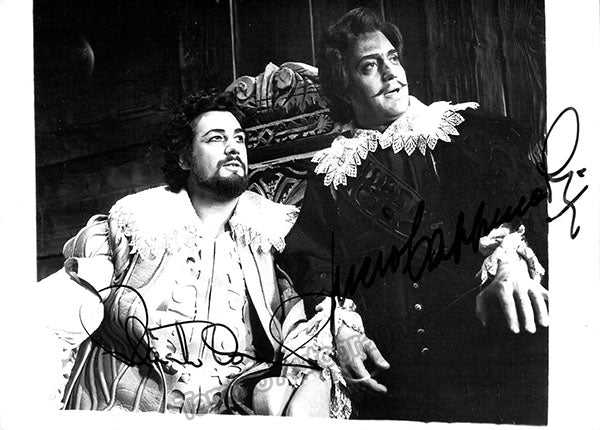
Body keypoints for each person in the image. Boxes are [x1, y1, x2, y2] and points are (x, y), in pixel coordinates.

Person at [280, 8, 550, 423]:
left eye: (393, 58)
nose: (391, 73)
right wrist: (342, 328)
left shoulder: (462, 131)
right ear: (346, 89)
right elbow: (314, 261)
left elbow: (522, 205)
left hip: (484, 359)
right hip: (392, 381)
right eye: (370, 66)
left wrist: (508, 262)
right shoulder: (332, 173)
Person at [36, 90, 359, 417]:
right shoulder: (135, 224)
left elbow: (305, 324)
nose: (233, 148)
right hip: (126, 412)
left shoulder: (274, 235)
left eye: (239, 139)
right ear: (184, 158)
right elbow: (59, 310)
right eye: (216, 138)